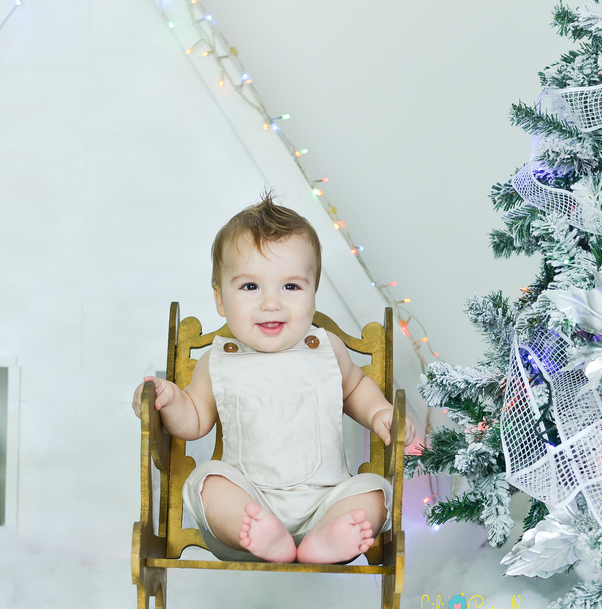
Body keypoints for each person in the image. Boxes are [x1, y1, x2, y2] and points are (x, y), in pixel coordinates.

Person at [132, 195, 414, 563]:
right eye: (250, 287)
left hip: (325, 499)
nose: (271, 303)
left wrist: (379, 413)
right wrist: (169, 401)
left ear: (313, 295)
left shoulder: (325, 349)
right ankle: (260, 534)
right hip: (250, 500)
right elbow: (194, 421)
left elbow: (357, 387)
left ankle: (328, 537)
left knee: (375, 490)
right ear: (220, 299)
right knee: (207, 482)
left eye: (291, 287)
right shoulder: (218, 360)